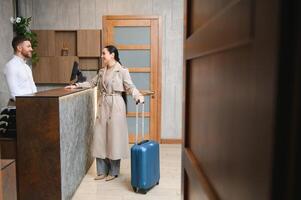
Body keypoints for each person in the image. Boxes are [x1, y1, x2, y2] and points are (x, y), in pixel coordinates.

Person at [65, 45, 144, 181]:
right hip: (103, 105)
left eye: (104, 53)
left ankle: (113, 172)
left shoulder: (122, 71)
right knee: (100, 137)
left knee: (114, 138)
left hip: (116, 105)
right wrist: (76, 85)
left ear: (112, 55)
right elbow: (91, 83)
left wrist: (138, 96)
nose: (102, 56)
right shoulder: (102, 71)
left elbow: (130, 87)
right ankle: (101, 171)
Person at [3, 36, 37, 106]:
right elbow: (14, 93)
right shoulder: (11, 66)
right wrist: (29, 105)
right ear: (19, 48)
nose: (31, 49)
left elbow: (33, 88)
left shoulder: (27, 67)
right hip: (20, 107)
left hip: (32, 105)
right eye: (28, 46)